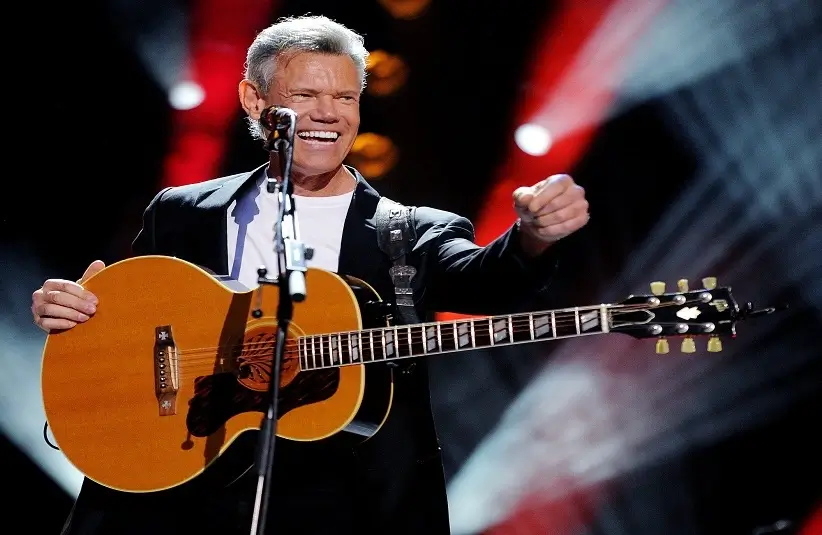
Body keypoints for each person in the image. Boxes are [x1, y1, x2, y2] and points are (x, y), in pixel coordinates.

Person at [32, 15, 589, 535]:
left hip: (345, 506)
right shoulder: (183, 213)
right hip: (182, 496)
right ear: (255, 99)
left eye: (345, 97)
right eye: (305, 96)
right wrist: (73, 313)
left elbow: (491, 281)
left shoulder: (408, 233)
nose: (329, 113)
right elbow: (129, 326)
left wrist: (535, 234)